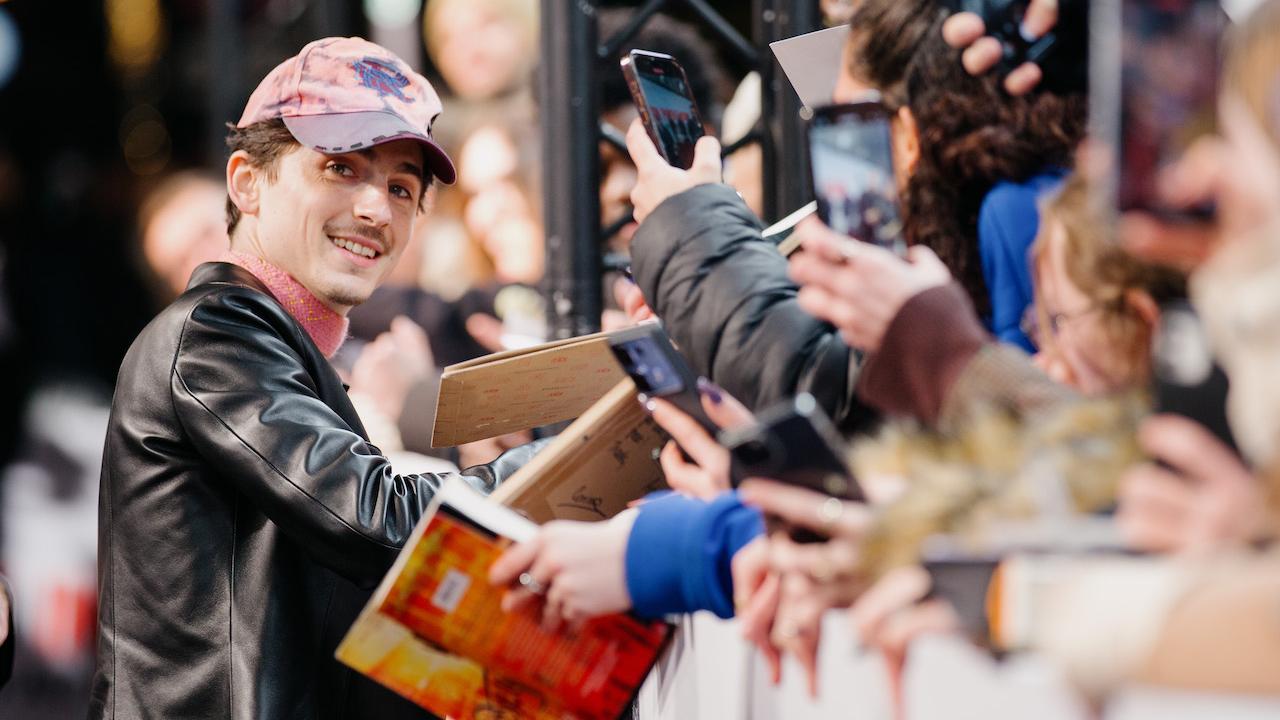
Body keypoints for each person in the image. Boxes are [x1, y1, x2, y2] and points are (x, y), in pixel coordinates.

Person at [89, 38, 543, 720]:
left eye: (400, 187)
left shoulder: (273, 344)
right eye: (340, 167)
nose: (375, 209)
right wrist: (566, 467)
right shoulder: (216, 331)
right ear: (245, 182)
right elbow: (376, 518)